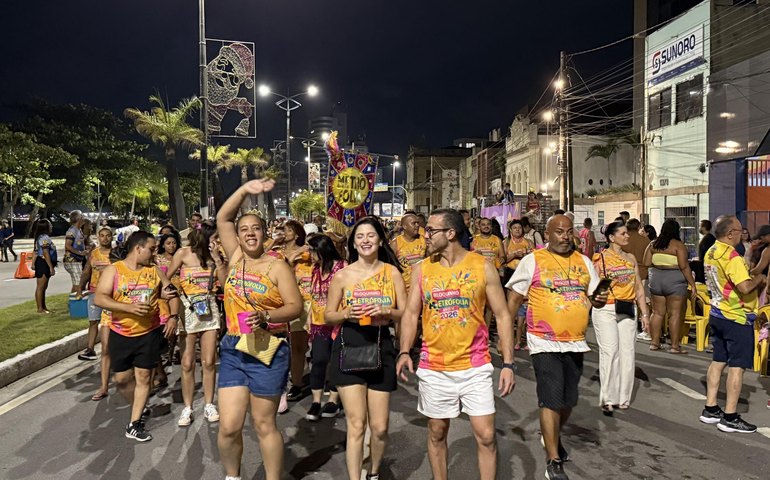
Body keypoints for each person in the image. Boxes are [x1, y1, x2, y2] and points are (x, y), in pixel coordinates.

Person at [397, 209, 515, 480]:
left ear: (450, 234)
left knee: (486, 436)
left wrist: (508, 363)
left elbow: (503, 314)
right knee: (437, 432)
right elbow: (411, 314)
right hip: (434, 365)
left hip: (475, 365)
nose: (425, 235)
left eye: (431, 230)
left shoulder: (481, 266)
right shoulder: (422, 269)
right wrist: (405, 350)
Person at [506, 214, 608, 480]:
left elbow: (594, 298)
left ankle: (550, 434)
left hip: (575, 342)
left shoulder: (584, 262)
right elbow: (515, 298)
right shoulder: (533, 260)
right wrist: (505, 333)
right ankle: (553, 460)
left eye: (568, 232)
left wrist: (599, 299)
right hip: (543, 341)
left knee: (568, 400)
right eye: (559, 232)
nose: (565, 237)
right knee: (550, 398)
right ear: (547, 234)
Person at [216, 179, 303, 480]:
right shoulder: (236, 258)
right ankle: (232, 476)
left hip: (268, 346)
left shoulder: (277, 266)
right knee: (228, 426)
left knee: (264, 424)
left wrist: (266, 315)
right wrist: (243, 191)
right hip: (232, 348)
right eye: (244, 229)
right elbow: (222, 218)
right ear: (237, 237)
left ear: (265, 234)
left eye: (256, 228)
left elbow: (295, 307)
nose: (250, 233)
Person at [325, 217, 407, 480]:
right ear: (353, 243)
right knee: (357, 424)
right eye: (360, 236)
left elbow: (404, 312)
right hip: (349, 347)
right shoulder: (342, 275)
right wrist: (346, 313)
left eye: (371, 235)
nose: (365, 241)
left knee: (380, 427)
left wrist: (388, 310)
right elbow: (328, 315)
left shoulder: (391, 272)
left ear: (380, 240)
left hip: (381, 346)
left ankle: (372, 473)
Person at [94, 230, 180, 442]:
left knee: (143, 378)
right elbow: (100, 298)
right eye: (151, 249)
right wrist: (128, 308)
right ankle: (139, 407)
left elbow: (172, 293)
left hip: (148, 333)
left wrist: (173, 316)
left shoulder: (155, 271)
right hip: (120, 333)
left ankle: (134, 423)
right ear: (138, 248)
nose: (154, 253)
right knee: (122, 380)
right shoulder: (115, 270)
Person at [700, 215, 766, 434]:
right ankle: (730, 416)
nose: (742, 234)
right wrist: (760, 279)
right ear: (730, 234)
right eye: (739, 231)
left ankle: (710, 408)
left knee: (718, 361)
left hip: (717, 312)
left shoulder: (711, 251)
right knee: (737, 367)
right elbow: (745, 287)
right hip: (736, 317)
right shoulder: (732, 256)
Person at [167, 220, 222, 427]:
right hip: (187, 309)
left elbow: (224, 282)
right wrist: (170, 292)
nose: (218, 241)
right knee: (187, 362)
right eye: (215, 238)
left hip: (208, 310)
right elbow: (166, 275)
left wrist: (218, 259)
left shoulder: (215, 258)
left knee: (208, 361)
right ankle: (188, 407)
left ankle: (209, 404)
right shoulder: (183, 253)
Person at [592, 221, 650, 414]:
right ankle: (608, 398)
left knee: (627, 352)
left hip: (627, 308)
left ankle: (623, 398)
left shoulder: (631, 258)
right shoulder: (600, 258)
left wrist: (645, 314)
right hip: (606, 309)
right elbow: (593, 287)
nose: (627, 236)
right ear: (611, 237)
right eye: (623, 233)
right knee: (610, 352)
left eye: (627, 233)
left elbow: (639, 288)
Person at [305, 234, 346, 421]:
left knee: (337, 361)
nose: (309, 255)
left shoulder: (342, 267)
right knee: (319, 360)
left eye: (312, 251)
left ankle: (333, 399)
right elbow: (313, 297)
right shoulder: (314, 269)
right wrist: (308, 319)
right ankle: (316, 401)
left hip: (338, 322)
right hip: (318, 323)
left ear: (321, 250)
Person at [643, 219, 697, 353]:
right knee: (675, 314)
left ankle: (654, 343)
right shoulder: (678, 245)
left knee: (657, 313)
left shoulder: (653, 244)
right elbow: (684, 267)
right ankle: (674, 346)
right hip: (675, 280)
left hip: (656, 280)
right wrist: (692, 284)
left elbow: (646, 262)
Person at [282, 219, 312, 404]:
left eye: (288, 230)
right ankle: (297, 383)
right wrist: (292, 258)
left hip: (314, 302)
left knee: (320, 345)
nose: (284, 233)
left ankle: (327, 382)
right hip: (295, 303)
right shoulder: (279, 254)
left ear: (297, 233)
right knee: (297, 346)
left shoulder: (308, 251)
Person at [77, 227, 114, 363]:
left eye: (108, 235)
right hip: (95, 292)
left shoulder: (116, 254)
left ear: (112, 237)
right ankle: (90, 348)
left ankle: (110, 349)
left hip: (112, 294)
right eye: (102, 236)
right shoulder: (94, 253)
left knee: (111, 322)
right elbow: (87, 271)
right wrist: (80, 288)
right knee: (93, 320)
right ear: (98, 237)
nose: (105, 238)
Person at [504, 220, 533, 350]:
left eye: (519, 228)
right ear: (510, 230)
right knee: (511, 307)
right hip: (511, 273)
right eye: (514, 228)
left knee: (525, 307)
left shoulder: (529, 242)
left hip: (525, 274)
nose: (517, 230)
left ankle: (524, 337)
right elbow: (502, 259)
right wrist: (515, 255)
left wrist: (526, 255)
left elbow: (534, 258)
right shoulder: (506, 242)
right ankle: (510, 337)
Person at [622, 219, 652, 340]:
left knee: (627, 301)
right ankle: (645, 327)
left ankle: (627, 326)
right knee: (643, 302)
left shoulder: (624, 240)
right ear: (638, 226)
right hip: (643, 273)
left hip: (626, 273)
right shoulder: (645, 241)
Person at [390, 213, 427, 296]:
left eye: (418, 223)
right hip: (404, 291)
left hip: (422, 288)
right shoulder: (395, 244)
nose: (417, 225)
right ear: (404, 226)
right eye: (414, 223)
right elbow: (390, 268)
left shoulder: (424, 241)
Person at [32, 219, 57, 314]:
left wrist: (33, 263)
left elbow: (35, 251)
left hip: (42, 262)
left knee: (44, 287)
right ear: (46, 227)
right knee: (41, 287)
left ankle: (43, 307)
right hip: (43, 263)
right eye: (50, 225)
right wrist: (51, 267)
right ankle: (40, 309)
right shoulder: (44, 238)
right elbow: (45, 253)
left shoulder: (40, 237)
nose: (52, 226)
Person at [63, 210, 88, 296]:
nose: (84, 218)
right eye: (82, 216)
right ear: (78, 218)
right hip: (72, 260)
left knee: (77, 283)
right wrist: (80, 253)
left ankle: (73, 302)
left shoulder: (78, 230)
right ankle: (76, 303)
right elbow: (67, 245)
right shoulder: (72, 231)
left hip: (76, 260)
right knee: (78, 284)